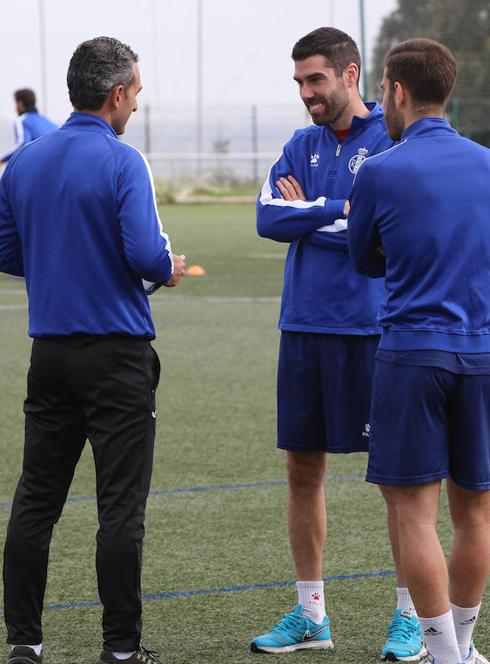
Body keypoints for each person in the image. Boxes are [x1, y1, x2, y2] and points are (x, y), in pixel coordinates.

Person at [0, 37, 185, 664]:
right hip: (117, 357)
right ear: (115, 95)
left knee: (36, 501)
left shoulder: (24, 162)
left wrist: (58, 264)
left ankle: (24, 643)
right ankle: (122, 650)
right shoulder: (123, 160)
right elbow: (145, 255)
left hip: (49, 355)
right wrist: (171, 267)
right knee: (120, 509)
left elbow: (5, 251)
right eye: (135, 92)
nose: (136, 102)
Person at [251, 26, 425, 660]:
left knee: (400, 482)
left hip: (373, 331)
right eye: (299, 82)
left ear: (352, 76)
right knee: (303, 471)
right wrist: (340, 210)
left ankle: (411, 617)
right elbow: (269, 216)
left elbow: (378, 229)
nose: (306, 93)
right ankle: (310, 614)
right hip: (303, 328)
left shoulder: (392, 140)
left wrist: (314, 215)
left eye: (316, 79)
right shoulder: (301, 143)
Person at [348, 37, 490, 664]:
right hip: (484, 354)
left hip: (411, 354)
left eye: (383, 89)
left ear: (398, 92)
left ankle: (443, 656)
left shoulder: (380, 169)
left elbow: (363, 259)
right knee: (476, 513)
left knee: (414, 513)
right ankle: (464, 645)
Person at [0, 88, 57, 163]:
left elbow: (22, 145)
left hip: (41, 166)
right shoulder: (48, 122)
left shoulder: (22, 120)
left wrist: (2, 159)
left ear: (20, 103)